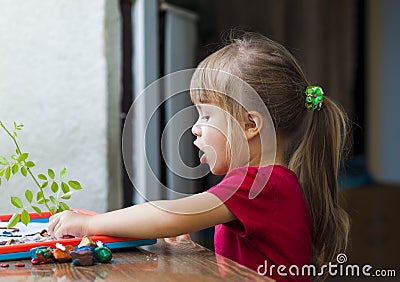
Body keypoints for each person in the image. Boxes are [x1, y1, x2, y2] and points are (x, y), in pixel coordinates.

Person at [49, 32, 349, 281]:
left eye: (206, 115)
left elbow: (170, 216)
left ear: (250, 125)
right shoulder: (269, 183)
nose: (195, 129)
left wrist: (90, 224)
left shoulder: (260, 183)